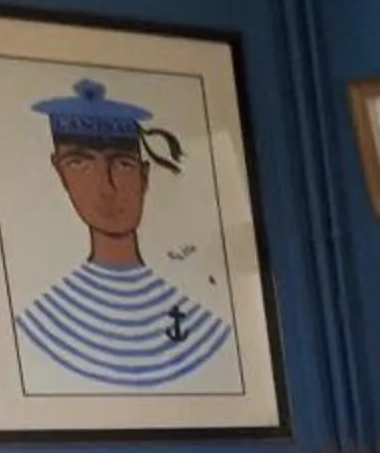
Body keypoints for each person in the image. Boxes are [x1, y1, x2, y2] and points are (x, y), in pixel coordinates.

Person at [12, 77, 235, 390]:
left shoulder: (200, 321)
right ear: (60, 173)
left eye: (123, 164)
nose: (106, 188)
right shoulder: (44, 318)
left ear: (144, 176)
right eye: (81, 164)